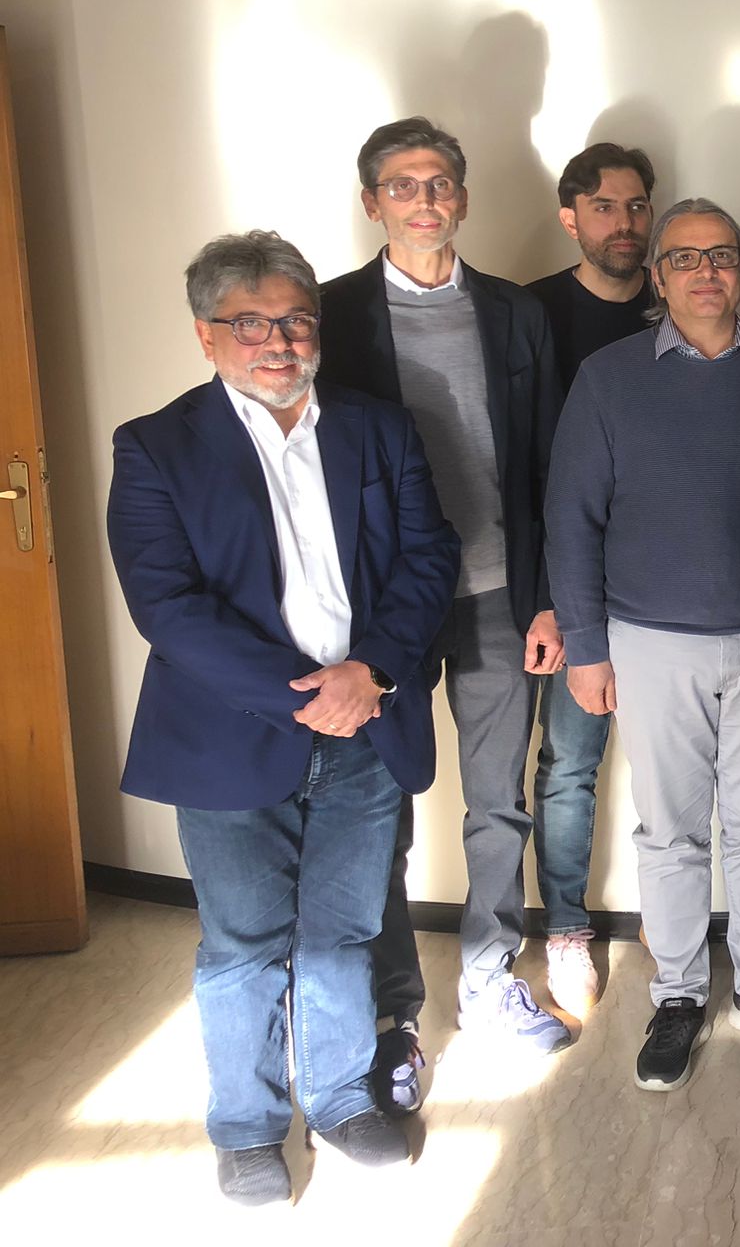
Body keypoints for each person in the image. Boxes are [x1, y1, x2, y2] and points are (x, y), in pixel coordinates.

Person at [107, 232, 459, 1206]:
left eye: (296, 319)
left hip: (367, 727)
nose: (278, 340)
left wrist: (369, 674)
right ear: (206, 335)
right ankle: (248, 1127)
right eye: (251, 323)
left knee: (345, 929)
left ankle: (341, 1098)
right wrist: (311, 695)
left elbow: (429, 556)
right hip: (231, 737)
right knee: (243, 943)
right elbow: (167, 606)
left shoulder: (378, 429)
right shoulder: (156, 446)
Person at [547, 199, 740, 1091]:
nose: (706, 272)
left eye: (722, 256)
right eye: (685, 258)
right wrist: (586, 647)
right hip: (649, 641)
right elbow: (570, 517)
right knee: (668, 832)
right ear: (658, 277)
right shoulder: (608, 378)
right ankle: (676, 995)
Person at [320, 116, 569, 1108]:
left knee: (497, 799)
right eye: (402, 184)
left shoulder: (514, 313)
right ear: (371, 202)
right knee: (376, 807)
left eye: (438, 183)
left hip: (503, 592)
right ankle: (392, 1012)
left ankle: (487, 978)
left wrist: (549, 597)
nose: (424, 200)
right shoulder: (331, 315)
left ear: (461, 198)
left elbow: (548, 460)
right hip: (381, 610)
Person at [524, 140, 658, 1016]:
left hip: (663, 587)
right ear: (570, 217)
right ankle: (567, 928)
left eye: (637, 205)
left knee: (670, 767)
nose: (625, 222)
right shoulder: (530, 315)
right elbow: (527, 468)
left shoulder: (676, 307)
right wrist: (549, 600)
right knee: (570, 763)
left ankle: (668, 913)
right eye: (605, 206)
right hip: (573, 587)